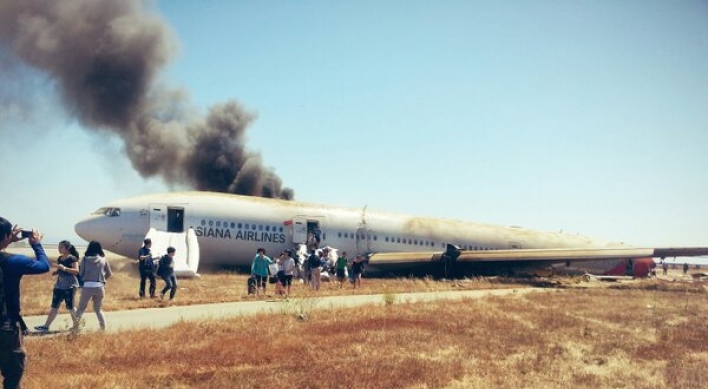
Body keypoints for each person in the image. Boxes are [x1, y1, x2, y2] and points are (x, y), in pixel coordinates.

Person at [0, 217, 50, 389]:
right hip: (5, 327)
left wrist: (6, 240)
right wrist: (36, 244)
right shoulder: (12, 261)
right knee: (13, 374)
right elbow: (44, 265)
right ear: (7, 236)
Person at [34, 240, 80, 332]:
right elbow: (61, 270)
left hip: (70, 285)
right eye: (58, 247)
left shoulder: (72, 258)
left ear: (67, 248)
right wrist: (56, 272)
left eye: (61, 247)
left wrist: (64, 268)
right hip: (59, 285)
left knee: (70, 307)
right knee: (54, 306)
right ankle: (46, 326)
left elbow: (76, 271)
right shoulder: (60, 258)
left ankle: (77, 325)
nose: (59, 249)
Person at [75, 241, 112, 331]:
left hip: (87, 286)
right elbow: (109, 273)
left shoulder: (84, 259)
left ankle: (76, 328)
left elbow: (80, 273)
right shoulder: (103, 259)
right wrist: (103, 281)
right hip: (99, 287)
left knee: (81, 309)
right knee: (98, 309)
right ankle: (103, 328)